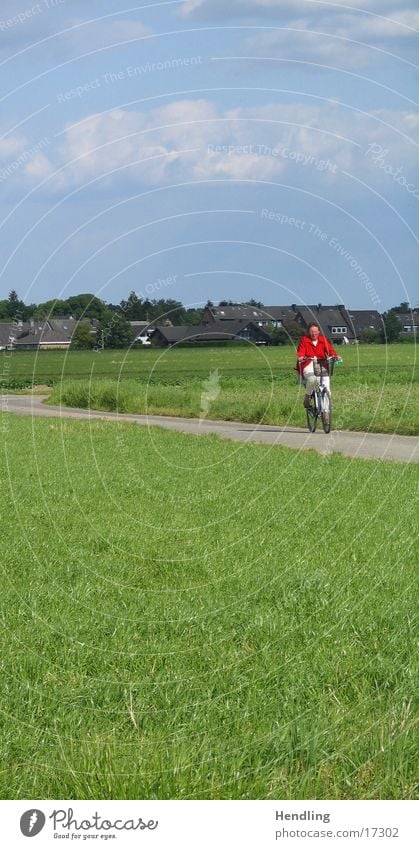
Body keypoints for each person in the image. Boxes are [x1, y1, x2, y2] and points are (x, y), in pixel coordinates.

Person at [296, 323, 341, 416]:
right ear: (309, 332)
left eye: (315, 331)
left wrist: (336, 356)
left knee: (327, 387)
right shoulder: (304, 340)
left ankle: (326, 412)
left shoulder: (323, 340)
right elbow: (301, 351)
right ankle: (308, 396)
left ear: (319, 332)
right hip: (308, 363)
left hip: (321, 364)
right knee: (312, 378)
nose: (313, 334)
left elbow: (330, 350)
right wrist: (301, 357)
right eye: (312, 332)